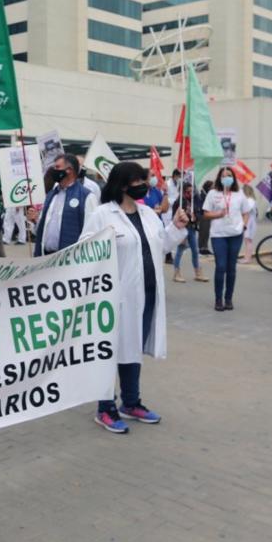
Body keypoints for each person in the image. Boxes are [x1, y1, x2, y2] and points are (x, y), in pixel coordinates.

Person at [81, 162, 189, 433]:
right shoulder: (102, 215)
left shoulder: (148, 214)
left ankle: (131, 402)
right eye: (140, 180)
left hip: (147, 294)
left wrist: (176, 226)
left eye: (146, 179)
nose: (146, 185)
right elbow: (84, 251)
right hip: (115, 297)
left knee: (133, 348)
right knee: (110, 352)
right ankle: (105, 407)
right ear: (123, 184)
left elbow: (161, 243)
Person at [202, 166, 250, 311]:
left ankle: (228, 299)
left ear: (233, 178)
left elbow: (246, 212)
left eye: (229, 175)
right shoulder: (212, 193)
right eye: (223, 176)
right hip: (219, 235)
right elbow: (206, 213)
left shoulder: (239, 193)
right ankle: (218, 299)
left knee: (231, 268)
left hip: (235, 235)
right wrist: (218, 214)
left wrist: (244, 226)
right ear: (219, 178)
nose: (226, 178)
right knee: (221, 266)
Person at [33, 152, 97, 256]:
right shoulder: (51, 194)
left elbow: (92, 232)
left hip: (70, 261)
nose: (53, 170)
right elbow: (42, 227)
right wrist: (35, 221)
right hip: (45, 258)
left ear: (69, 170)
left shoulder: (86, 196)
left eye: (57, 167)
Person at [172, 182, 207, 282]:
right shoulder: (178, 202)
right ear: (183, 192)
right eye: (188, 191)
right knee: (180, 249)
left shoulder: (195, 200)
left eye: (192, 191)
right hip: (182, 229)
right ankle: (176, 273)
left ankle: (198, 272)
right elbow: (174, 218)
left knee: (195, 251)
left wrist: (195, 217)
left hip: (191, 228)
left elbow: (200, 213)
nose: (190, 193)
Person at [238, 183, 258, 263]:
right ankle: (246, 257)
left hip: (250, 222)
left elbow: (247, 210)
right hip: (248, 221)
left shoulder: (250, 200)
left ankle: (247, 258)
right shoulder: (249, 200)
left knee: (248, 240)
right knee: (247, 240)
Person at [197, 180, 214, 255]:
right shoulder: (202, 195)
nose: (213, 189)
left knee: (207, 232)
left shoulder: (208, 195)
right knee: (203, 232)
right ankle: (201, 247)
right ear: (208, 187)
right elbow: (201, 205)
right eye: (212, 187)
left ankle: (205, 247)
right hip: (203, 215)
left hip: (208, 215)